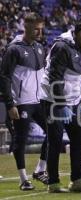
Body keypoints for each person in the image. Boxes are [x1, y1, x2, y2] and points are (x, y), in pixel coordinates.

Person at [40, 17, 81, 193]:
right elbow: (55, 77)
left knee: (80, 137)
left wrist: (78, 100)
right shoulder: (62, 46)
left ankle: (76, 180)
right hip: (53, 101)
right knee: (55, 141)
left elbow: (75, 78)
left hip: (72, 102)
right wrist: (61, 104)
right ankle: (54, 183)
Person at [0, 12, 48, 190]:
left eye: (41, 29)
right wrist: (10, 104)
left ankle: (40, 170)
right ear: (26, 27)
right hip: (22, 102)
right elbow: (4, 77)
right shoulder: (14, 49)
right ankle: (23, 179)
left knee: (53, 133)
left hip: (39, 101)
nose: (39, 32)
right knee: (21, 140)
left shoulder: (40, 48)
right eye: (36, 29)